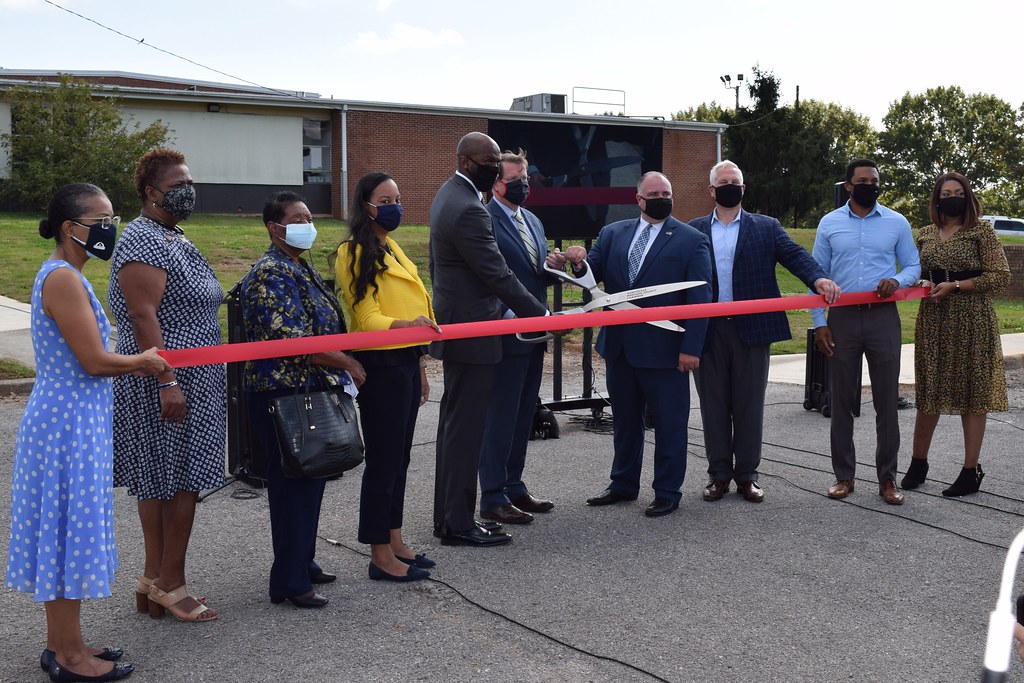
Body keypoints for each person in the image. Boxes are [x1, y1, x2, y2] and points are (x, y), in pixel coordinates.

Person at [6, 183, 169, 682]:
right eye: (98, 219)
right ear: (68, 227)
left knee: (66, 534)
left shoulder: (69, 275)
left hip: (74, 421)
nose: (108, 227)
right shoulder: (63, 279)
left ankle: (66, 643)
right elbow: (94, 361)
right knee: (65, 535)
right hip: (65, 427)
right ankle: (69, 658)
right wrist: (143, 361)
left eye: (111, 217)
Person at [108, 148, 224, 622]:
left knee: (164, 479)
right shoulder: (143, 239)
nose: (187, 190)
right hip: (170, 380)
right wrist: (168, 380)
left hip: (188, 378)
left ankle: (154, 579)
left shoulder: (170, 235)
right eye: (177, 184)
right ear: (150, 192)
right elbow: (141, 314)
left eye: (188, 181)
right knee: (179, 481)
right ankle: (172, 584)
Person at [562, 171, 713, 517]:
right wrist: (578, 261)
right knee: (626, 422)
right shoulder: (613, 233)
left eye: (667, 192)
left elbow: (701, 297)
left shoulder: (691, 239)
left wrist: (692, 348)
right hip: (620, 348)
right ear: (639, 199)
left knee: (670, 423)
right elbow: (591, 277)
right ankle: (623, 484)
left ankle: (667, 490)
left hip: (667, 350)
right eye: (654, 193)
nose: (662, 197)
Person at [689, 160, 840, 504]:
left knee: (749, 405)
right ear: (712, 190)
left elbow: (795, 255)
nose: (730, 187)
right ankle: (718, 476)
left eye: (735, 182)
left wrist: (818, 279)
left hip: (753, 330)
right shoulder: (693, 229)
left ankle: (747, 476)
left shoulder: (766, 227)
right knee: (712, 406)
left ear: (743, 189)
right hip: (708, 330)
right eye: (722, 182)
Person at [241, 191, 366, 607]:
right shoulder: (269, 273)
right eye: (297, 218)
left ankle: (302, 559)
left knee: (311, 476)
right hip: (281, 393)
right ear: (274, 227)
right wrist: (347, 363)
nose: (306, 224)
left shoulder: (299, 265)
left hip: (308, 389)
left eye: (309, 217)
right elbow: (291, 341)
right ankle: (289, 580)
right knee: (293, 481)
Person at [429, 132, 548, 546]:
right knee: (466, 431)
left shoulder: (449, 195)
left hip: (465, 329)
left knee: (456, 428)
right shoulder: (469, 209)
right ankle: (458, 524)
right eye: (491, 161)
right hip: (475, 333)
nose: (497, 168)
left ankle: (449, 518)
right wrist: (542, 314)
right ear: (466, 161)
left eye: (499, 160)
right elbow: (496, 274)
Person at [336, 173, 438, 581]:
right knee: (384, 460)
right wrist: (407, 327)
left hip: (405, 360)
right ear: (366, 204)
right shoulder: (353, 251)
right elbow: (365, 319)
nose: (395, 205)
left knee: (400, 458)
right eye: (385, 198)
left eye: (398, 197)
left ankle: (395, 540)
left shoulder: (389, 245)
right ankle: (380, 553)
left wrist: (419, 365)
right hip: (381, 364)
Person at [810, 158, 921, 505]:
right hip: (841, 318)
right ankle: (844, 476)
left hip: (883, 318)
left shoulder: (896, 222)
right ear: (847, 186)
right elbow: (816, 275)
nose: (869, 185)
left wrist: (898, 280)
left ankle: (888, 479)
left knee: (887, 401)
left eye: (874, 180)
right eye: (862, 180)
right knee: (841, 401)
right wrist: (820, 323)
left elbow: (914, 265)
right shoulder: (829, 223)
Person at [900, 172, 1010, 496]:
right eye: (945, 192)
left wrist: (957, 286)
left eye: (957, 192)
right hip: (933, 319)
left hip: (973, 318)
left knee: (974, 393)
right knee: (929, 390)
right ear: (937, 198)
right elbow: (918, 272)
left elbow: (1000, 275)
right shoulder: (925, 233)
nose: (951, 197)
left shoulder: (981, 230)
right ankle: (918, 462)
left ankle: (969, 470)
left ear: (967, 196)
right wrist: (921, 282)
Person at [477, 150, 557, 525]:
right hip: (506, 332)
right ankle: (492, 495)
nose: (524, 183)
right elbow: (487, 276)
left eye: (526, 175)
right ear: (496, 183)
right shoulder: (484, 219)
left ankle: (514, 486)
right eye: (516, 177)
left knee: (524, 414)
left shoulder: (534, 222)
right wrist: (512, 315)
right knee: (502, 416)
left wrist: (553, 267)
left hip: (535, 333)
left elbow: (533, 273)